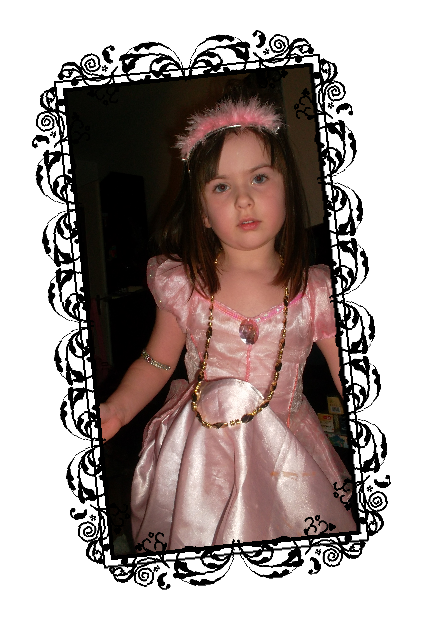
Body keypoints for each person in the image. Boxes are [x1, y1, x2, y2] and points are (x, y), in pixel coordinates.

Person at [100, 97, 356, 552]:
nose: (243, 199)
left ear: (287, 188)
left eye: (259, 178)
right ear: (201, 211)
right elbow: (157, 361)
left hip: (288, 457)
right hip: (203, 460)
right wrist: (116, 409)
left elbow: (349, 372)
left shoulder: (316, 290)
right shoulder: (185, 285)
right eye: (221, 186)